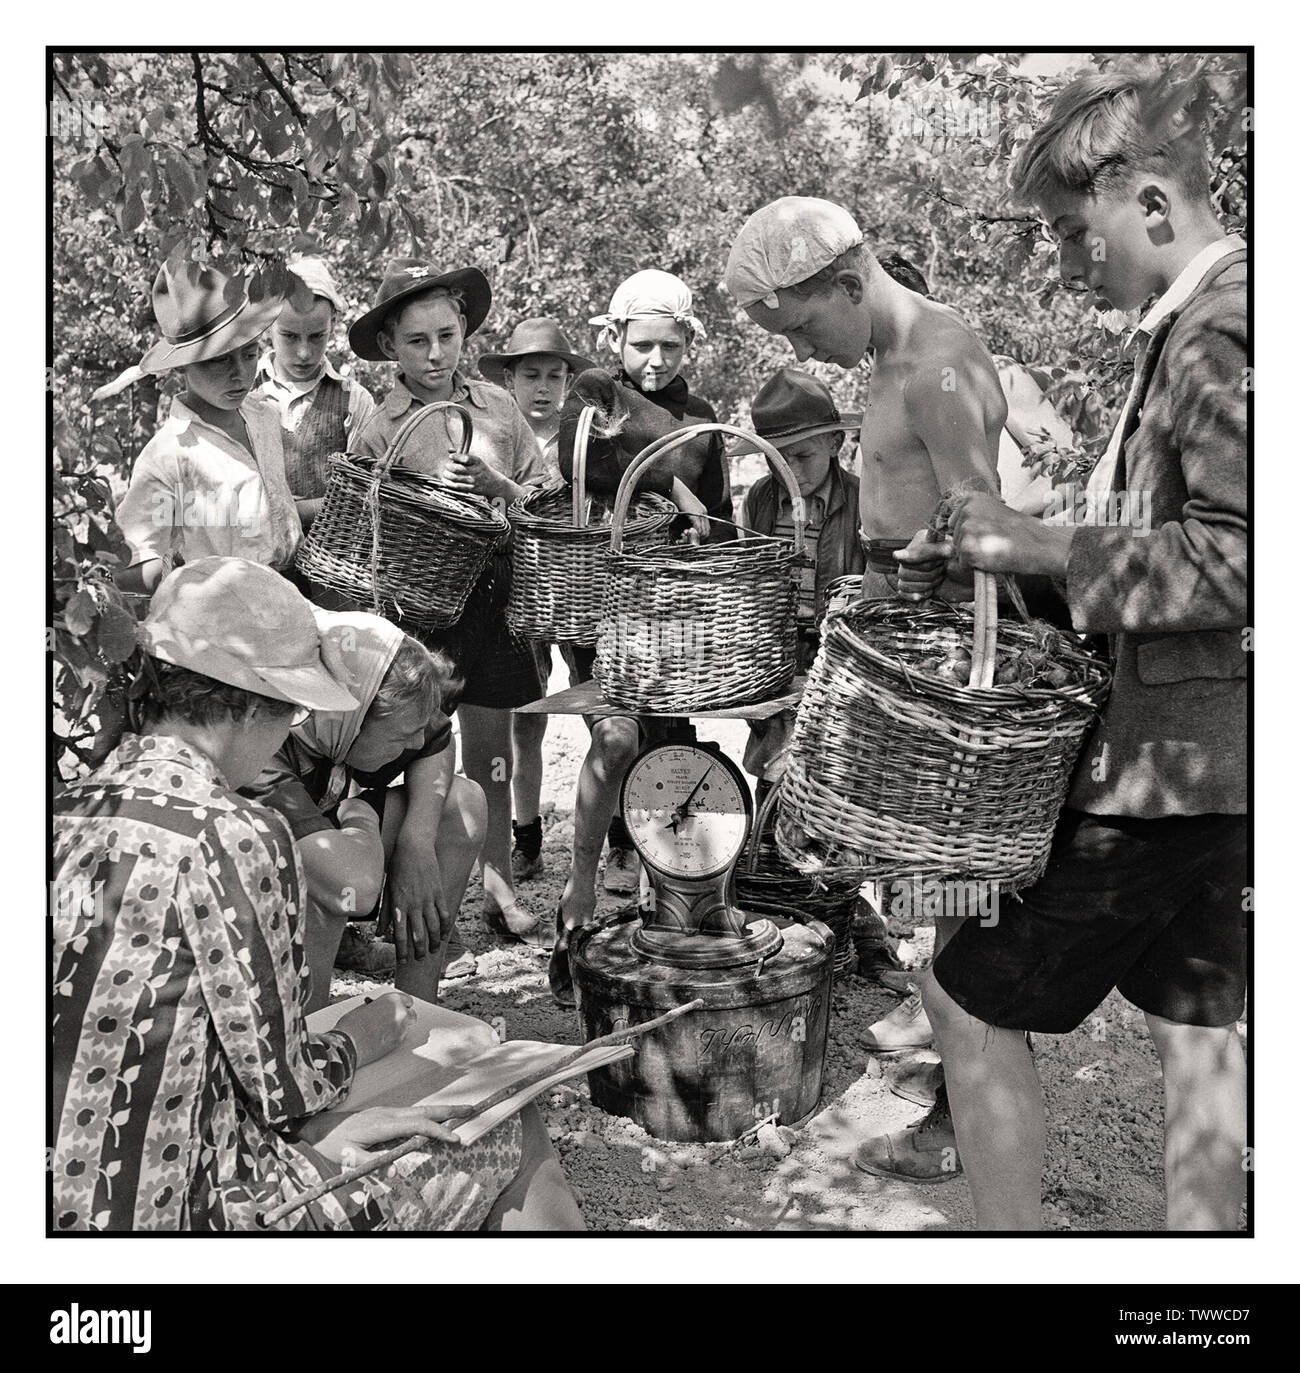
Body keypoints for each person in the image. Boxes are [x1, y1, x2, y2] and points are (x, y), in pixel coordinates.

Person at [908, 71, 1248, 1230]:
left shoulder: (1224, 329)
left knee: (957, 999)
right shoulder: (1200, 325)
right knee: (1195, 1029)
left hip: (1166, 775)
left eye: (1069, 232)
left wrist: (1042, 539)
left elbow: (1242, 562)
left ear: (1149, 204)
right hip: (1219, 766)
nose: (1062, 263)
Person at [52, 558, 583, 1231]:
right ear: (248, 705)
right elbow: (285, 1088)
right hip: (198, 1202)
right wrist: (362, 1037)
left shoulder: (63, 811)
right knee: (509, 1124)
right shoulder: (236, 835)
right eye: (288, 711)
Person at [725, 197, 1012, 1177]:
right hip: (907, 657)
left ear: (848, 285)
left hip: (941, 687)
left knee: (954, 918)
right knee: (928, 915)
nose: (810, 345)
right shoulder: (895, 362)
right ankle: (959, 1097)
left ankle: (963, 1114)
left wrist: (901, 580)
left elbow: (986, 530)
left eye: (806, 325)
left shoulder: (931, 364)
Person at [350, 259, 554, 948]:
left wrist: (499, 484)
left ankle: (496, 883)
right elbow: (361, 520)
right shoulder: (383, 428)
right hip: (420, 604)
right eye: (416, 342)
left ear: (464, 328)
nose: (435, 354)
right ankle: (391, 900)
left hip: (495, 591)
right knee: (406, 747)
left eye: (446, 334)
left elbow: (545, 499)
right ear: (390, 348)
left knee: (490, 751)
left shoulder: (500, 407)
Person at [546, 270, 727, 1005]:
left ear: (689, 342)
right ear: (614, 339)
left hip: (669, 612)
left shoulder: (705, 412)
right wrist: (669, 479)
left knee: (671, 753)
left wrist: (687, 494)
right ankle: (578, 897)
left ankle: (675, 914)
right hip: (599, 603)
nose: (655, 360)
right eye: (641, 344)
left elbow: (712, 500)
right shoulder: (592, 389)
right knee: (617, 738)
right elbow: (576, 462)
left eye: (670, 345)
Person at [241, 610, 485, 1002]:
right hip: (269, 889)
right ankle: (310, 1030)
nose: (415, 743)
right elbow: (350, 883)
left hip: (336, 848)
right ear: (350, 719)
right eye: (402, 736)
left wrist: (416, 843)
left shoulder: (347, 721)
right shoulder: (264, 751)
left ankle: (417, 1011)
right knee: (324, 887)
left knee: (463, 804)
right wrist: (363, 818)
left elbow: (439, 742)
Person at [479, 319, 595, 883]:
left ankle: (614, 827)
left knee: (600, 709)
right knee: (523, 718)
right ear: (510, 379)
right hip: (517, 587)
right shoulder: (494, 432)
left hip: (575, 588)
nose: (543, 388)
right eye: (531, 376)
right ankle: (525, 832)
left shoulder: (584, 437)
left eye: (555, 376)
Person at [115, 257, 301, 595]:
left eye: (249, 354)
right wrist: (186, 575)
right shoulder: (168, 456)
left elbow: (272, 506)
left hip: (290, 591)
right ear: (181, 367)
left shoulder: (264, 418)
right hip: (220, 613)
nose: (240, 373)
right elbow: (133, 568)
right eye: (219, 360)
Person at [876, 251, 1076, 517]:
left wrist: (992, 520)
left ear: (931, 305)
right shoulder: (883, 399)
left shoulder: (1001, 376)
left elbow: (1072, 475)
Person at [252, 256, 376, 532]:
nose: (304, 353)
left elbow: (366, 496)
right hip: (253, 562)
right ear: (266, 325)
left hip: (330, 565)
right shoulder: (245, 395)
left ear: (333, 323)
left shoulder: (353, 401)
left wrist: (292, 511)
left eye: (317, 336)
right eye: (290, 336)